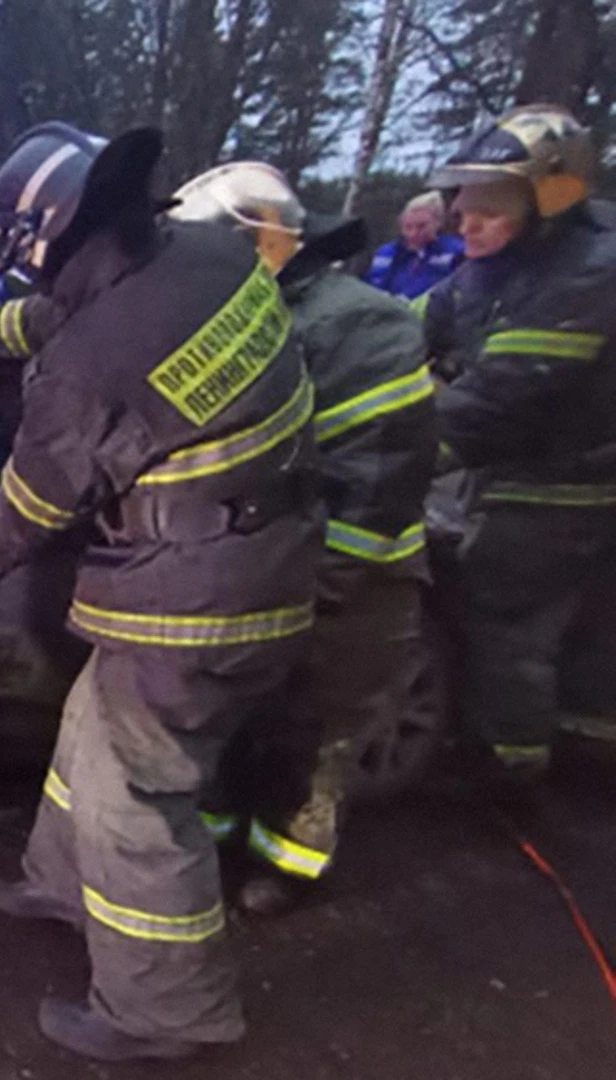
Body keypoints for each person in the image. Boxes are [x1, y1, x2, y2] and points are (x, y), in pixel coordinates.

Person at [0, 123, 320, 1061]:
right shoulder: (209, 255)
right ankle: (57, 881)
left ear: (46, 238)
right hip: (272, 547)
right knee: (91, 728)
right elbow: (73, 312)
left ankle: (169, 1014)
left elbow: (25, 510)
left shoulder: (91, 368)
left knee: (137, 797)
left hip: (196, 595)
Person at [169, 164, 436, 915]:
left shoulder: (362, 322)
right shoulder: (252, 315)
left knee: (310, 738)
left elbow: (382, 474)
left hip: (348, 582)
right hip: (267, 569)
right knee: (239, 728)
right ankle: (220, 847)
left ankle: (290, 870)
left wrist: (323, 582)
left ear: (259, 242)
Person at [419, 104, 616, 780]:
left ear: (549, 199)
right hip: (521, 466)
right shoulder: (493, 266)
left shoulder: (590, 272)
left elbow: (500, 396)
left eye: (490, 206)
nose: (464, 221)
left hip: (565, 483)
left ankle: (509, 773)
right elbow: (395, 330)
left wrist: (396, 453)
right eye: (462, 203)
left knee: (508, 618)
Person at [365, 191, 464, 299]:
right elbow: (373, 288)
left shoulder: (455, 252)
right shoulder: (386, 254)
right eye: (408, 227)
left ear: (438, 222)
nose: (414, 233)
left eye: (422, 226)